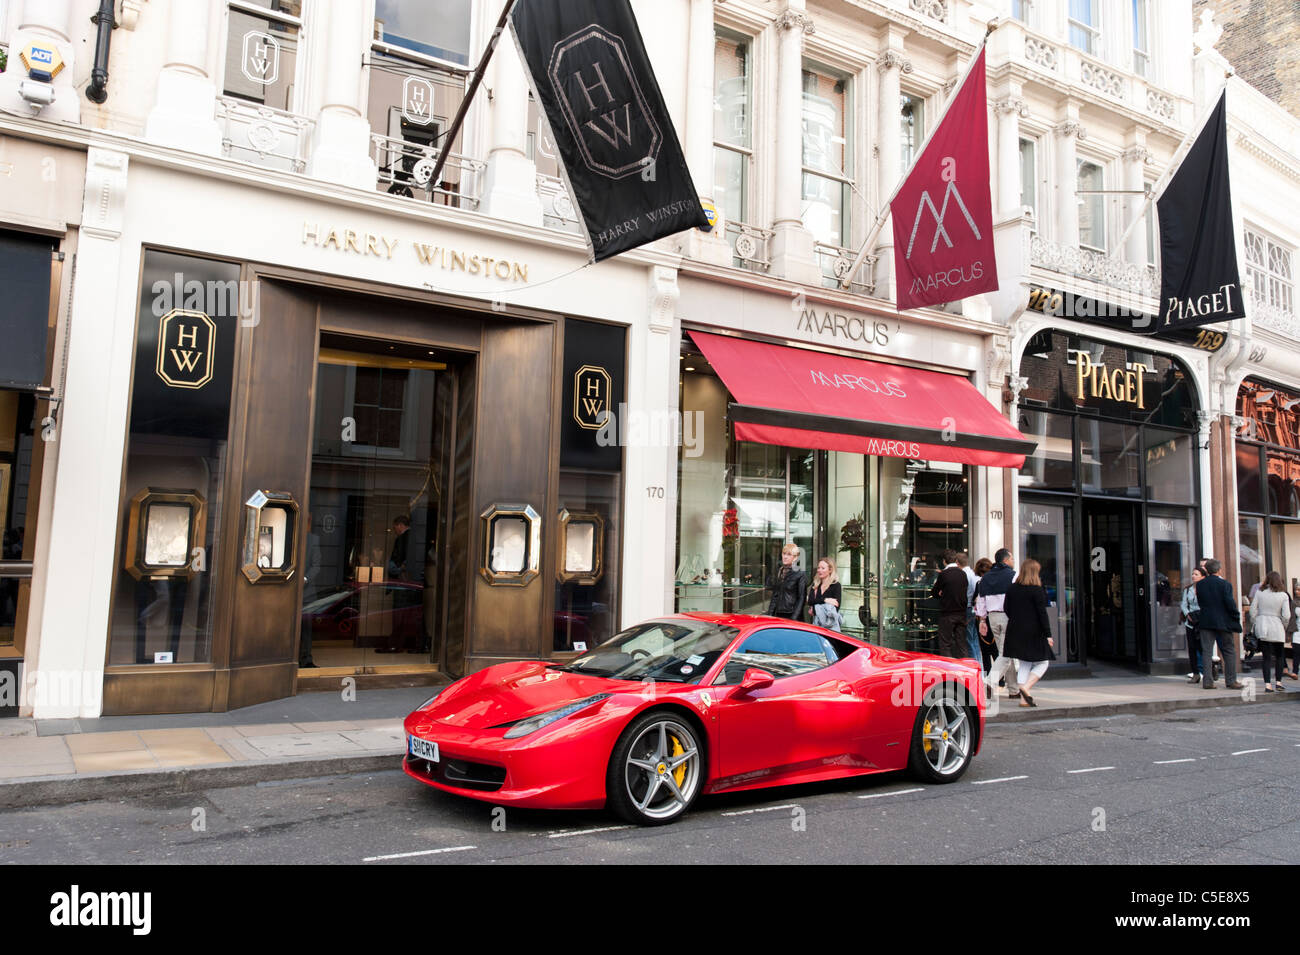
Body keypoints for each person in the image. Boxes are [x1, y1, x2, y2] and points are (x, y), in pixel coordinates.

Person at [1002, 558, 1054, 707]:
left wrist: (1016, 619)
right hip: (1034, 631)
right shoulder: (1037, 590)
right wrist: (1048, 634)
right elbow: (1042, 614)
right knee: (1043, 662)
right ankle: (1026, 687)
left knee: (1025, 663)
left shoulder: (1012, 588)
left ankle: (1024, 699)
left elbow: (1006, 608)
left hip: (1015, 629)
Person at [977, 548, 1020, 698]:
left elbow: (980, 601)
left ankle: (1014, 690)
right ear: (1006, 560)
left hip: (992, 618)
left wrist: (982, 620)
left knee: (1006, 653)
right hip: (1009, 617)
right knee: (1006, 654)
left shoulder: (985, 578)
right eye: (1012, 558)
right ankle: (989, 683)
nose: (1014, 561)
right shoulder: (1014, 576)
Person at [1195, 558, 1244, 690]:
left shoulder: (1200, 584)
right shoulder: (1225, 584)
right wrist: (1235, 616)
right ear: (1219, 570)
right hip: (1223, 621)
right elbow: (1230, 603)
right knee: (1228, 650)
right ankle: (1231, 680)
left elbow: (1200, 602)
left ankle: (1208, 681)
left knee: (1206, 651)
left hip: (1206, 620)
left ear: (1207, 570)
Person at [1249, 571, 1289, 692]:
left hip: (1263, 626)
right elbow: (1286, 615)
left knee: (1266, 657)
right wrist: (1284, 626)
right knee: (1280, 656)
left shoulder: (1260, 593)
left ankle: (1267, 684)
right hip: (1277, 626)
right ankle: (1278, 682)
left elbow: (1252, 611)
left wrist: (1255, 623)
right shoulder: (1283, 595)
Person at [931, 549, 970, 659]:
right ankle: (964, 669)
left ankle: (949, 671)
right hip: (961, 613)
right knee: (961, 643)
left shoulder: (944, 574)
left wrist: (941, 594)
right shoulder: (963, 574)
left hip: (947, 613)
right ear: (955, 560)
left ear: (944, 561)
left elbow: (934, 592)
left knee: (945, 644)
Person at [767, 543, 807, 620]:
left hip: (792, 614)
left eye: (789, 554)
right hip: (778, 613)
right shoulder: (780, 571)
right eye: (784, 553)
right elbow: (775, 595)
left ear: (795, 557)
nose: (785, 557)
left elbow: (802, 598)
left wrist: (794, 618)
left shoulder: (800, 573)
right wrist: (770, 615)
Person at [1180, 567, 1204, 684]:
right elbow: (1184, 604)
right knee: (1192, 648)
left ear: (1202, 576)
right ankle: (1195, 673)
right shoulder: (1188, 589)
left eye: (1196, 574)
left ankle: (1208, 670)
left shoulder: (1205, 589)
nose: (1193, 576)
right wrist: (1187, 614)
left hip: (1203, 621)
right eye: (1193, 574)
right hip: (1190, 622)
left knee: (1203, 647)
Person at [972, 557, 996, 672]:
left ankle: (991, 679)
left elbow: (974, 601)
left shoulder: (980, 583)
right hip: (994, 617)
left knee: (986, 652)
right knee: (995, 651)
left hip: (983, 619)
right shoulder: (996, 581)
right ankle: (998, 680)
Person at [807, 557, 843, 632]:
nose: (819, 570)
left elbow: (836, 607)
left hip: (830, 627)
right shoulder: (816, 584)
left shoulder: (836, 585)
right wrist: (825, 600)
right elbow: (810, 601)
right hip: (816, 625)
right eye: (818, 568)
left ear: (830, 570)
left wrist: (815, 608)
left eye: (823, 568)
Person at [957, 553, 980, 663]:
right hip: (973, 608)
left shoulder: (963, 574)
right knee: (974, 640)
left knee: (969, 641)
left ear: (957, 562)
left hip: (966, 608)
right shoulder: (972, 574)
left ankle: (974, 667)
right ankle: (980, 667)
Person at [388, 514, 411, 581]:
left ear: (400, 525)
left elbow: (399, 555)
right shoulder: (415, 535)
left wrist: (401, 567)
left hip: (402, 574)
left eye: (395, 528)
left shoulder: (401, 538)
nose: (395, 531)